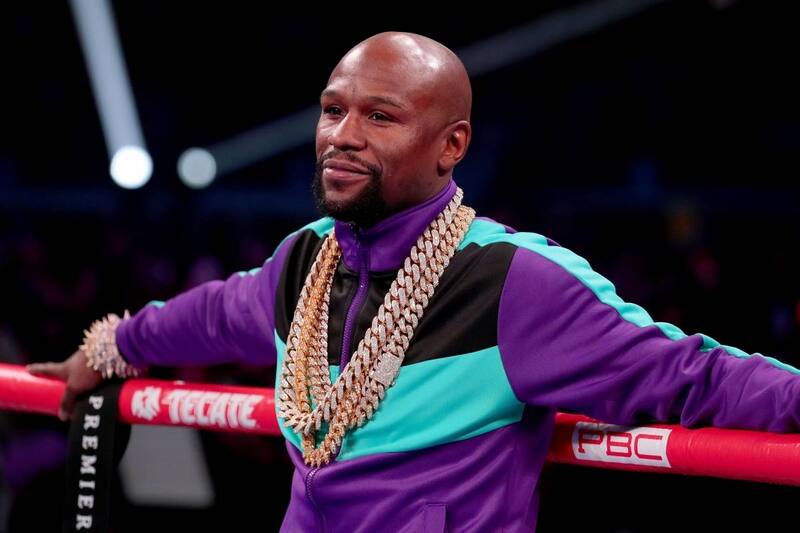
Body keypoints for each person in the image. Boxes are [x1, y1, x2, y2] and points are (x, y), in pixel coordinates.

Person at [28, 31, 800, 532]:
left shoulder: (512, 281)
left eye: (380, 117)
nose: (341, 136)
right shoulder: (303, 260)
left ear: (450, 145)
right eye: (333, 110)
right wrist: (109, 348)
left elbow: (692, 373)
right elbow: (202, 317)